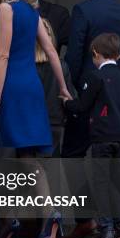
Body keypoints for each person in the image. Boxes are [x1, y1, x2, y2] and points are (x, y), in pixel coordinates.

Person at [0, 0, 72, 238]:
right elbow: (52, 51)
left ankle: (31, 216)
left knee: (11, 156)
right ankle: (25, 219)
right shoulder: (31, 11)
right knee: (24, 156)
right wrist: (63, 88)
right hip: (31, 86)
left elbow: (3, 54)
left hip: (14, 88)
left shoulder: (7, 9)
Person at [62, 0, 120, 238]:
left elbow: (73, 57)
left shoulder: (83, 10)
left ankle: (89, 220)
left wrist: (70, 95)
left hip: (89, 99)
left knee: (71, 156)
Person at [35, 19, 76, 156]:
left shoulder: (25, 64)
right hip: (55, 122)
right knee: (50, 168)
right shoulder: (61, 65)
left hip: (30, 122)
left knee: (28, 168)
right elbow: (71, 97)